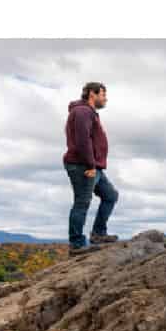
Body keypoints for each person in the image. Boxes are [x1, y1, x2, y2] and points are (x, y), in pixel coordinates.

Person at [63, 82, 119, 254]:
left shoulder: (88, 113)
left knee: (110, 195)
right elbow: (82, 140)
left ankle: (98, 234)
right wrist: (90, 164)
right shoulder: (82, 112)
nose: (106, 99)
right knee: (82, 203)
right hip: (84, 166)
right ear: (92, 94)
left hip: (93, 166)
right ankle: (76, 244)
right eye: (103, 94)